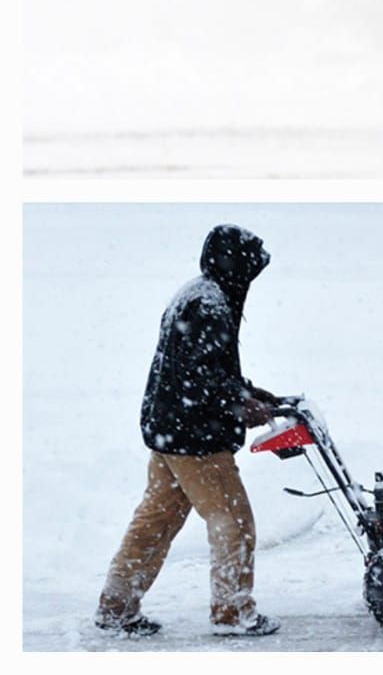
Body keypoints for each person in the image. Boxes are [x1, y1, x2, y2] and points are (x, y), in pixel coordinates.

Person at [95, 225, 282, 638]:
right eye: (249, 268)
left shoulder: (197, 294)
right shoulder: (209, 306)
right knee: (233, 521)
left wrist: (248, 392)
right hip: (196, 440)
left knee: (156, 521)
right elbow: (198, 379)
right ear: (235, 265)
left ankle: (116, 605)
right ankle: (233, 612)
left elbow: (205, 370)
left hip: (169, 432)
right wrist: (238, 406)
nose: (251, 278)